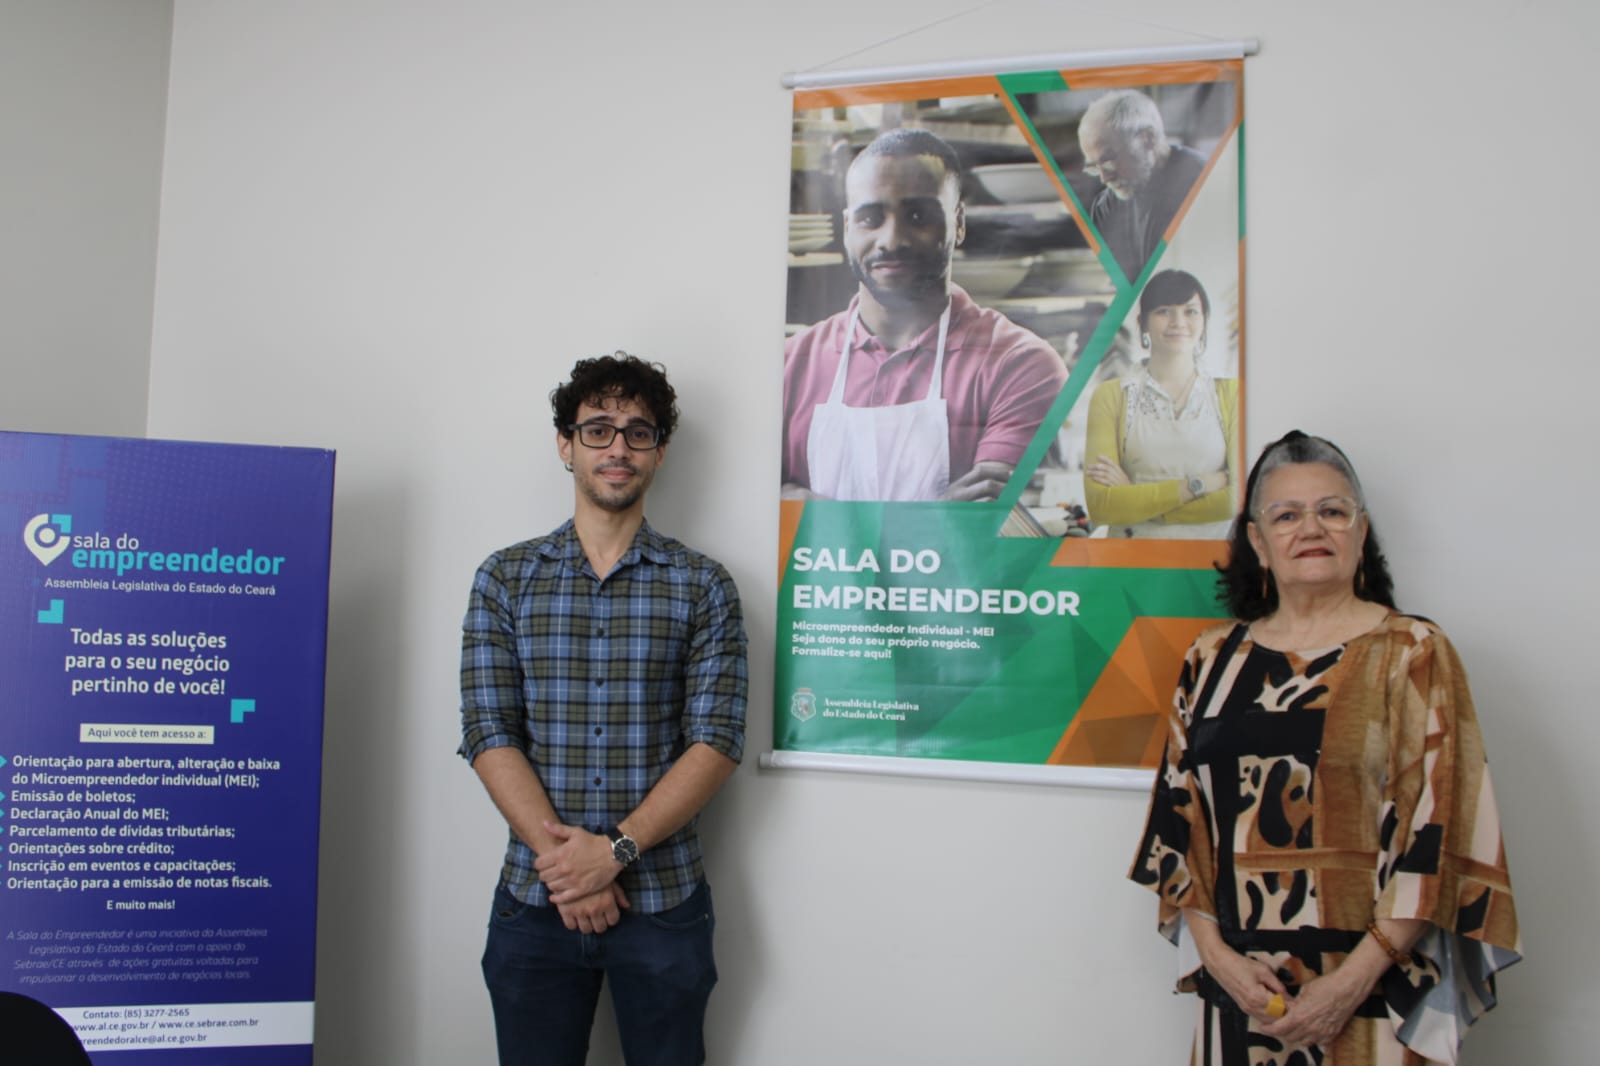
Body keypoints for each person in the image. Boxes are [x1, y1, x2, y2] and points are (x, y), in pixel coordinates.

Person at [1130, 431, 1521, 1065]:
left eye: (1332, 511)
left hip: (1374, 995)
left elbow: (1442, 833)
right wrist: (1219, 960)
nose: (1311, 527)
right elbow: (1179, 830)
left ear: (1361, 530)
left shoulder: (1414, 653)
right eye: (1286, 515)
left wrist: (1348, 984)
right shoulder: (1210, 659)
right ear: (1258, 541)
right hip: (1241, 996)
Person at [459, 352, 748, 1066]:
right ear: (566, 445)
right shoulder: (505, 577)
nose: (618, 446)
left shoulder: (703, 585)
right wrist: (571, 869)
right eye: (598, 429)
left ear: (659, 451)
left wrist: (612, 854)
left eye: (638, 432)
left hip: (662, 904)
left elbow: (715, 741)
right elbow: (489, 731)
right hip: (536, 901)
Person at [782, 127, 1068, 502]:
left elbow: (985, 528)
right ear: (848, 226)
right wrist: (936, 518)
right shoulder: (791, 364)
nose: (892, 239)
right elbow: (758, 510)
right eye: (871, 217)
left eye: (918, 215)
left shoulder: (1021, 365)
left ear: (959, 222)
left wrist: (812, 510)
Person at [1083, 269, 1237, 538]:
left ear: (1205, 320)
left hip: (1213, 566)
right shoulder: (1111, 396)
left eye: (1190, 311)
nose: (1178, 322)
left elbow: (1240, 499)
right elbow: (1102, 507)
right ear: (1143, 322)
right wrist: (1199, 485)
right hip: (1133, 567)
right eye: (1164, 311)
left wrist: (1136, 501)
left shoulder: (1231, 393)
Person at [1078, 89, 1208, 283]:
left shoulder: (1204, 185)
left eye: (1109, 160)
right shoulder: (1106, 207)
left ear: (1148, 138)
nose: (1105, 179)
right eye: (1094, 168)